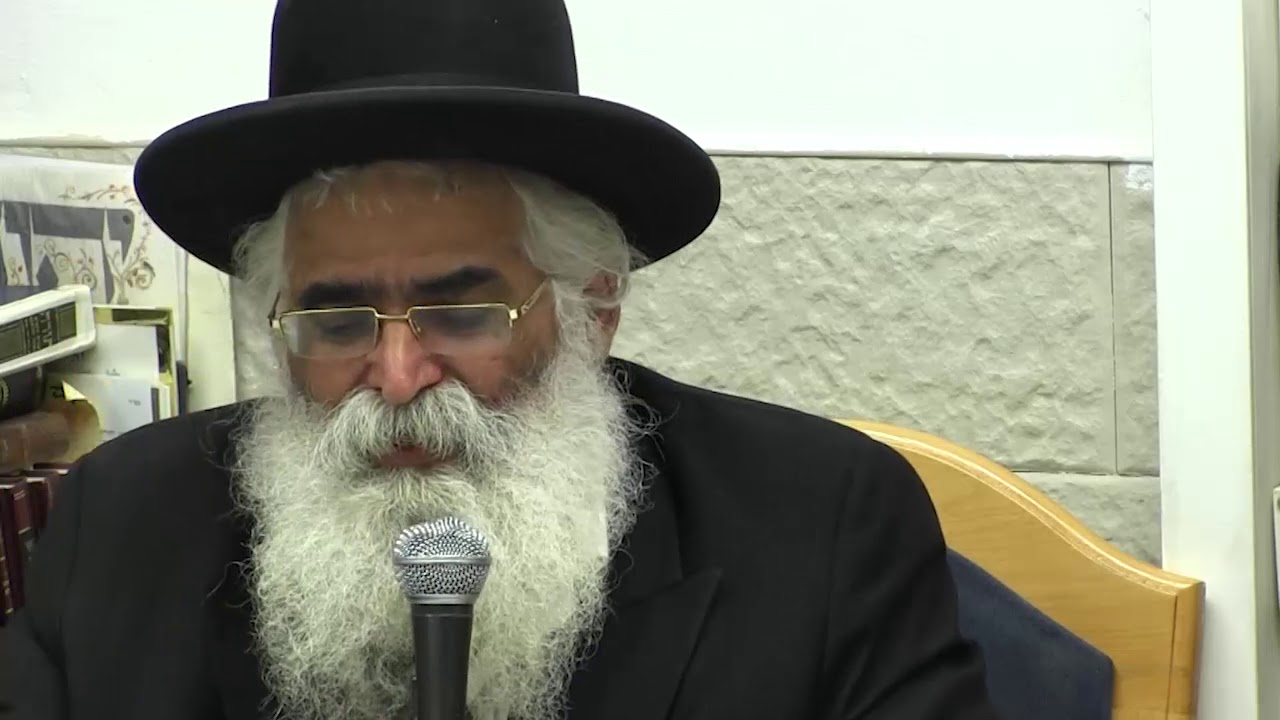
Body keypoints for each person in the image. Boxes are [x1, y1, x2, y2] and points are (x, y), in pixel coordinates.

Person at [6, 0, 1002, 718]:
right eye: (338, 322)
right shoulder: (121, 528)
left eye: (462, 314)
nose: (398, 377)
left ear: (592, 309)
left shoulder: (821, 530)